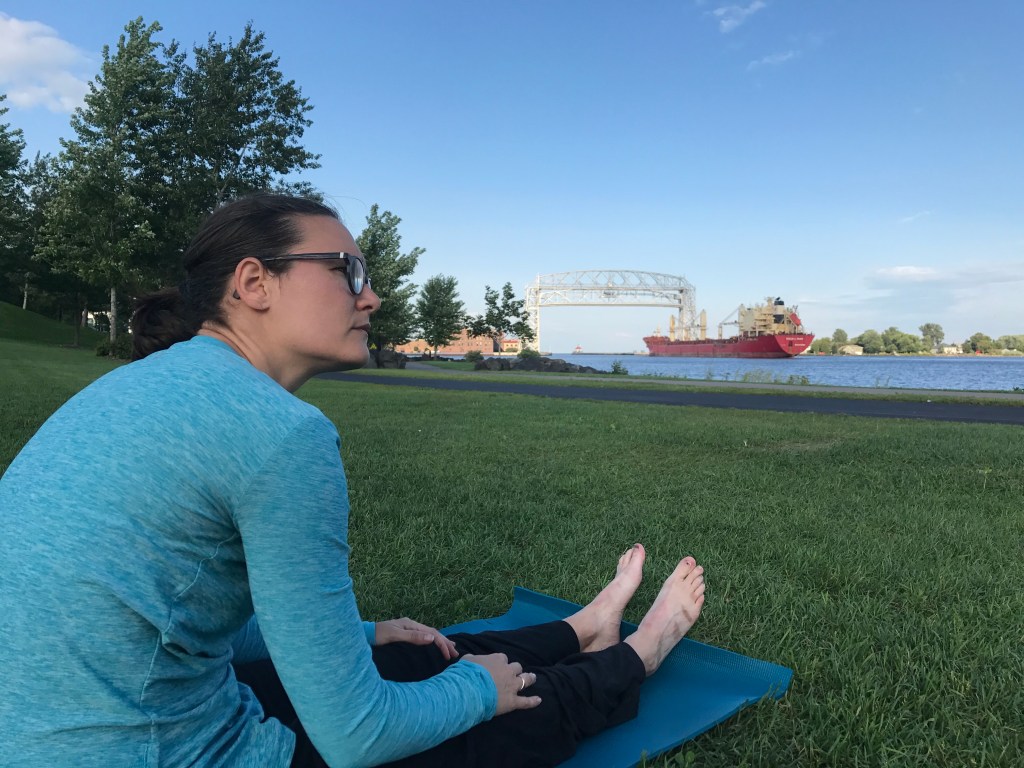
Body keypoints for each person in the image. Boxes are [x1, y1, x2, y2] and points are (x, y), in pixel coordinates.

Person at [0, 193, 706, 767]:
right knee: (495, 722)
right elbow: (356, 737)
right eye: (348, 270)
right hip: (158, 751)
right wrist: (475, 694)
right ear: (253, 283)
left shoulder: (138, 386)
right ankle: (640, 655)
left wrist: (366, 633)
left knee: (406, 653)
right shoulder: (280, 433)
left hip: (83, 730)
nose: (371, 297)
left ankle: (585, 626)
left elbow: (167, 625)